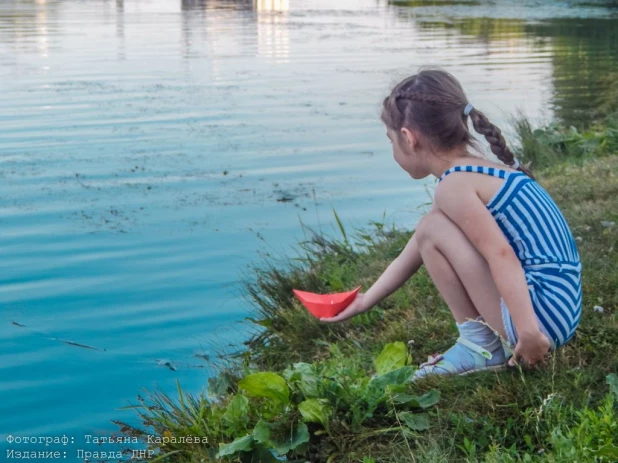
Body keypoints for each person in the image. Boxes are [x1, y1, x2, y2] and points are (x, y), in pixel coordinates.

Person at [319, 67, 582, 379]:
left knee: (432, 227)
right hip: (562, 308)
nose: (393, 149)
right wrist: (365, 300)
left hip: (541, 321)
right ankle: (486, 342)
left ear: (408, 137)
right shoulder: (475, 172)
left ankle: (479, 346)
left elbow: (500, 254)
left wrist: (528, 332)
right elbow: (419, 245)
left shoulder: (453, 185)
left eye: (390, 140)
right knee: (432, 227)